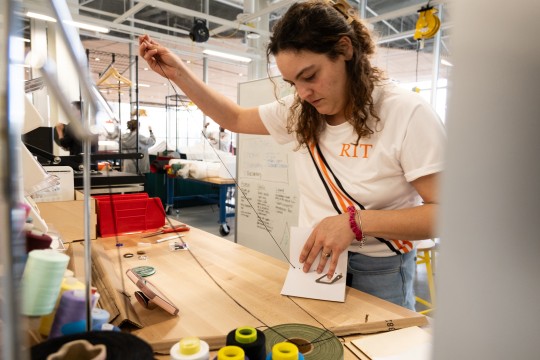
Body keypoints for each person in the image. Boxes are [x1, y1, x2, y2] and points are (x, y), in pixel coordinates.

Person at [139, 0, 446, 310]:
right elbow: (234, 118)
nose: (303, 94)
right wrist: (179, 73)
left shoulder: (406, 112)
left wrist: (356, 223)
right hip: (315, 261)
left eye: (310, 76)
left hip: (381, 270)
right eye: (292, 83)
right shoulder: (300, 112)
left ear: (345, 49)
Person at [55, 100, 98, 171]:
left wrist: (59, 131)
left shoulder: (73, 125)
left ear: (80, 111)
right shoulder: (92, 124)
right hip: (92, 162)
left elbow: (65, 144)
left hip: (77, 163)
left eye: (73, 110)